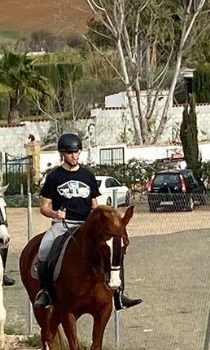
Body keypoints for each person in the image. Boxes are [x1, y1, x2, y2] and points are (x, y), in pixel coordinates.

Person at [32, 132, 141, 310]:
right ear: (62, 154)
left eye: (76, 152)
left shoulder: (88, 176)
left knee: (115, 249)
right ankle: (45, 292)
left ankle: (119, 293)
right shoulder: (54, 177)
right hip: (63, 225)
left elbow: (95, 204)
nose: (74, 156)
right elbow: (43, 207)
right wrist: (54, 214)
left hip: (86, 225)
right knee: (44, 249)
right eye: (70, 152)